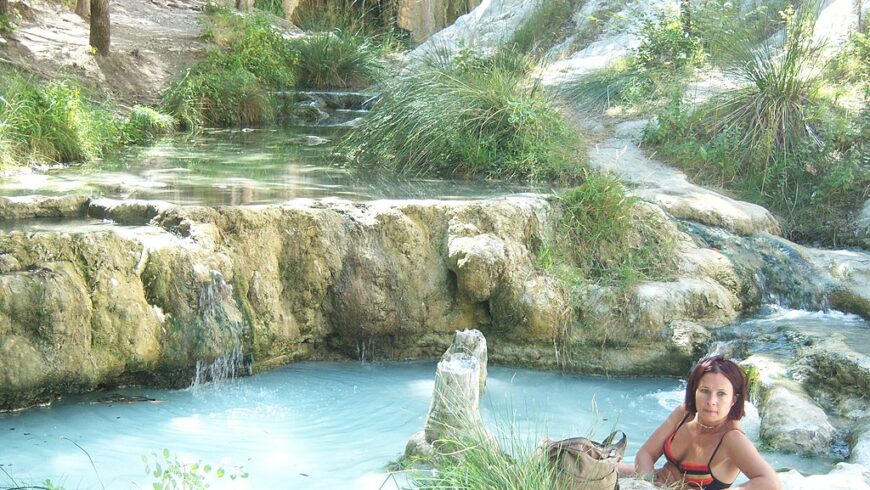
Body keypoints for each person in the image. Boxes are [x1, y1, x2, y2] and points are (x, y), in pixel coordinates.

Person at [619, 355, 781, 489]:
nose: (711, 401)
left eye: (721, 394)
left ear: (734, 399)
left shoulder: (732, 438)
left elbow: (771, 482)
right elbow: (646, 453)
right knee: (600, 463)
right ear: (694, 391)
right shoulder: (684, 413)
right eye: (704, 391)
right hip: (651, 483)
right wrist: (646, 484)